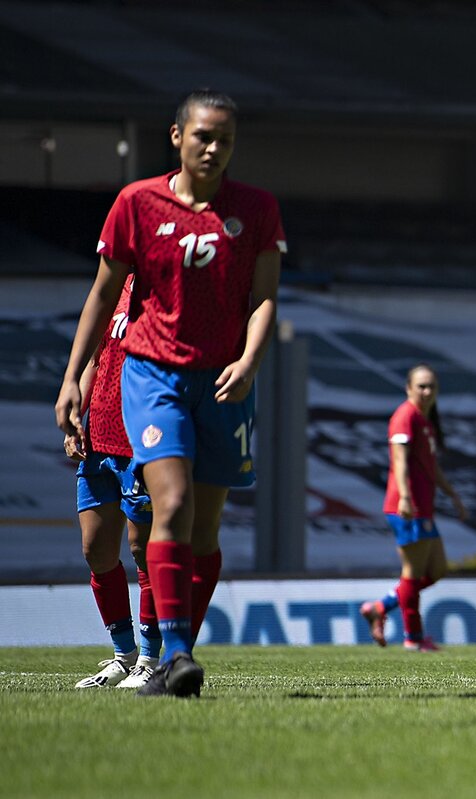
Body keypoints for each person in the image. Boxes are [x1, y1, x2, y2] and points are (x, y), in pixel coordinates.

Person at [55, 89, 285, 697]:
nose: (214, 147)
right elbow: (103, 296)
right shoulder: (136, 203)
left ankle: (170, 655)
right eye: (203, 136)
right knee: (172, 505)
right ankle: (173, 657)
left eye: (225, 139)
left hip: (224, 382)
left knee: (204, 533)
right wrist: (73, 378)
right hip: (153, 375)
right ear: (177, 137)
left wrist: (251, 359)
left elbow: (264, 298)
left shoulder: (257, 210)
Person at [68, 274, 161, 690]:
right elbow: (94, 359)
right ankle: (122, 655)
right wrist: (76, 417)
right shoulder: (117, 287)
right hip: (98, 439)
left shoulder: (170, 292)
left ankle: (151, 658)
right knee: (96, 550)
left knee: (144, 551)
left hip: (141, 441)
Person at [360, 364, 467, 652]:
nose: (427, 391)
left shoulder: (425, 420)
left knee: (437, 569)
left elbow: (431, 468)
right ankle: (414, 638)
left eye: (431, 386)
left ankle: (380, 607)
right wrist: (405, 497)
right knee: (413, 572)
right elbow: (400, 461)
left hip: (423, 506)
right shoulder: (405, 416)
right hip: (406, 506)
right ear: (408, 388)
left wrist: (452, 495)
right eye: (421, 386)